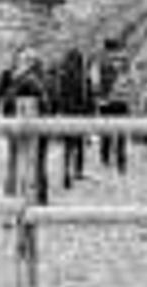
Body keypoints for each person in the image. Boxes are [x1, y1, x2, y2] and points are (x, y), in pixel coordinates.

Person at [0, 46, 52, 203]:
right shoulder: (13, 75)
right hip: (17, 122)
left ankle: (37, 198)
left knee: (34, 161)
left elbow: (50, 101)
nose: (28, 62)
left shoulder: (39, 77)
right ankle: (16, 197)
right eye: (25, 58)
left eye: (31, 59)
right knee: (17, 160)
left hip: (36, 123)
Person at [50, 48, 93, 189]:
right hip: (80, 113)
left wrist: (55, 112)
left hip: (66, 112)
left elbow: (57, 95)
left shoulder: (62, 76)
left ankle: (66, 173)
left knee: (67, 146)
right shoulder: (84, 77)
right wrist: (90, 115)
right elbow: (89, 98)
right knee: (79, 144)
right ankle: (78, 170)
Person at [90, 38, 129, 174]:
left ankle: (105, 158)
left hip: (106, 100)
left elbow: (95, 82)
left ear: (104, 47)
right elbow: (130, 79)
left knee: (106, 130)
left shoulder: (99, 60)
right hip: (122, 100)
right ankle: (121, 161)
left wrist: (97, 97)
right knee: (121, 132)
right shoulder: (125, 60)